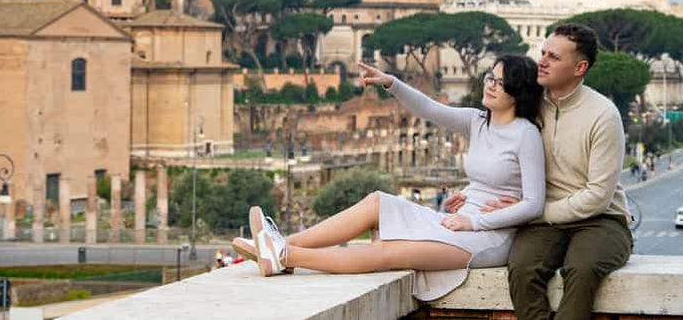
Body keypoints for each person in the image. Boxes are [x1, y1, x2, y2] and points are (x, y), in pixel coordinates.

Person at [247, 55, 546, 300]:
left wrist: (474, 222)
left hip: (489, 238)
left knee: (389, 252)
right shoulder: (477, 120)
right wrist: (391, 83)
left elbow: (533, 204)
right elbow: (429, 109)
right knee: (377, 202)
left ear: (518, 92)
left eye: (500, 82)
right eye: (490, 78)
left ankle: (286, 255)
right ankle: (278, 243)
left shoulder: (526, 134)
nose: (491, 85)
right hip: (458, 220)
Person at [448, 24, 632, 319]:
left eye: (553, 57)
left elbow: (598, 197)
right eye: (543, 53)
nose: (542, 61)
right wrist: (472, 193)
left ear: (580, 67)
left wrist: (534, 212)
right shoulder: (528, 105)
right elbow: (500, 154)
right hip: (542, 223)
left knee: (581, 269)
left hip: (601, 220)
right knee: (522, 269)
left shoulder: (604, 115)